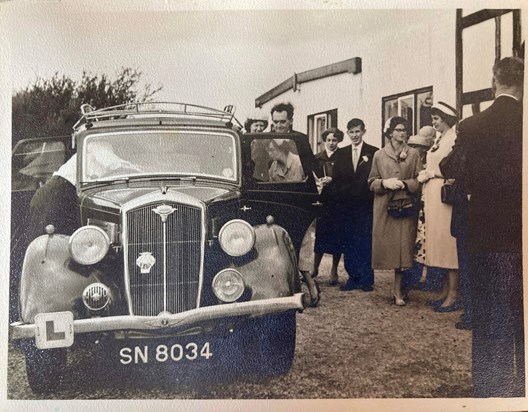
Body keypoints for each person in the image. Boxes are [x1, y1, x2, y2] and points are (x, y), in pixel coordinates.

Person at [440, 57, 524, 397]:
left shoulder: (472, 126)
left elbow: (452, 169)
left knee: (492, 314)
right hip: (523, 235)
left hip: (486, 234)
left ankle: (492, 390)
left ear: (494, 82)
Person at [368, 117, 422, 306]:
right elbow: (371, 182)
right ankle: (397, 288)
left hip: (406, 206)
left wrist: (406, 184)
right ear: (390, 132)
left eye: (405, 130)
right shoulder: (379, 155)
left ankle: (399, 290)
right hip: (385, 206)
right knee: (389, 247)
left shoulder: (414, 154)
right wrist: (384, 183)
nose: (402, 133)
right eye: (399, 130)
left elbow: (418, 180)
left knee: (404, 248)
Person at [417, 101, 460, 312]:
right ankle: (444, 291)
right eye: (433, 118)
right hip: (433, 195)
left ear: (446, 118)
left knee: (448, 243)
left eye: (436, 118)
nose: (433, 122)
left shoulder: (453, 138)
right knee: (438, 242)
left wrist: (433, 173)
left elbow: (454, 167)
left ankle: (453, 294)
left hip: (444, 195)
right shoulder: (439, 138)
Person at [327, 119, 378, 291]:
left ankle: (366, 279)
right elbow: (337, 180)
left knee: (365, 239)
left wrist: (361, 191)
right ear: (347, 133)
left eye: (358, 131)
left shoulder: (373, 152)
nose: (355, 135)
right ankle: (353, 277)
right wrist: (346, 193)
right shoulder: (341, 153)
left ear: (364, 131)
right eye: (352, 132)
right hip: (347, 204)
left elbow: (374, 176)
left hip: (365, 204)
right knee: (349, 241)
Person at [312, 127, 344, 285]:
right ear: (324, 141)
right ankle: (315, 267)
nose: (331, 143)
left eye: (335, 140)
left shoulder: (343, 157)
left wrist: (333, 180)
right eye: (329, 140)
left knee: (337, 236)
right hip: (322, 201)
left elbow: (347, 178)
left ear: (339, 141)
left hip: (338, 201)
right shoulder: (317, 158)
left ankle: (334, 270)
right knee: (321, 235)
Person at [29, 153, 79, 240]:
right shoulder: (97, 144)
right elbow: (110, 166)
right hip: (56, 192)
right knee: (44, 241)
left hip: (59, 190)